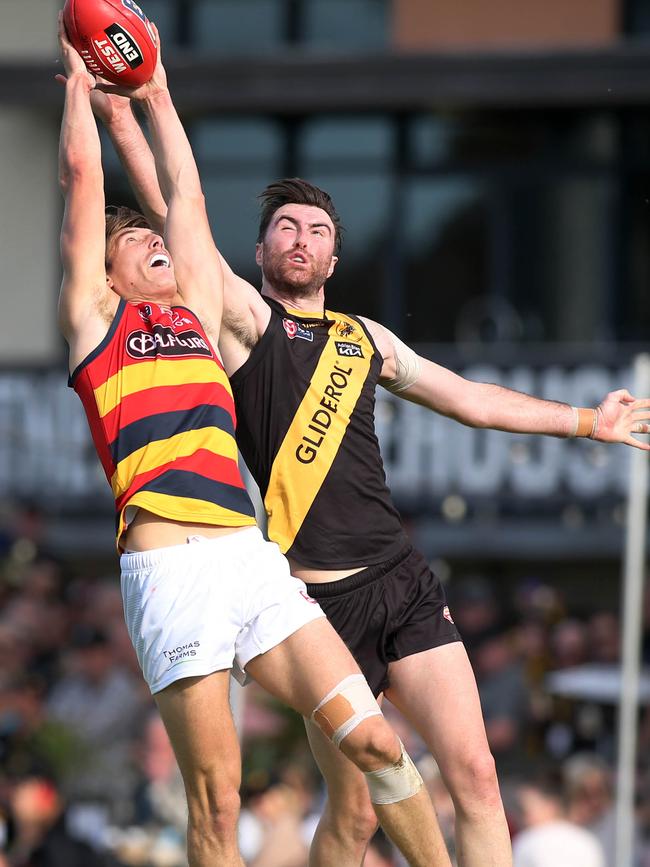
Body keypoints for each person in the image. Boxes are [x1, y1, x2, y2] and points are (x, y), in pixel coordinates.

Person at [93, 94, 650, 867]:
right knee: (354, 819)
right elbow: (176, 206)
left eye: (318, 230)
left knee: (479, 778)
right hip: (313, 604)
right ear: (257, 253)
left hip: (401, 580)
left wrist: (590, 421)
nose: (301, 238)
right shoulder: (242, 323)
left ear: (333, 258)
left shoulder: (366, 340)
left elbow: (471, 400)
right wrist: (125, 116)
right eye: (285, 226)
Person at [56, 15, 452, 867]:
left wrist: (157, 95)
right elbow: (84, 177)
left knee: (380, 745)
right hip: (172, 572)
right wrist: (82, 88)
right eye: (137, 244)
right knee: (218, 806)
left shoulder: (199, 313)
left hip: (248, 557)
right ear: (108, 273)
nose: (156, 244)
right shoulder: (94, 323)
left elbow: (187, 200)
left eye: (155, 239)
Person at [511, 776, 605, 867]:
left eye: (526, 811)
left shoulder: (528, 839)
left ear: (551, 806)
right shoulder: (587, 840)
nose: (524, 818)